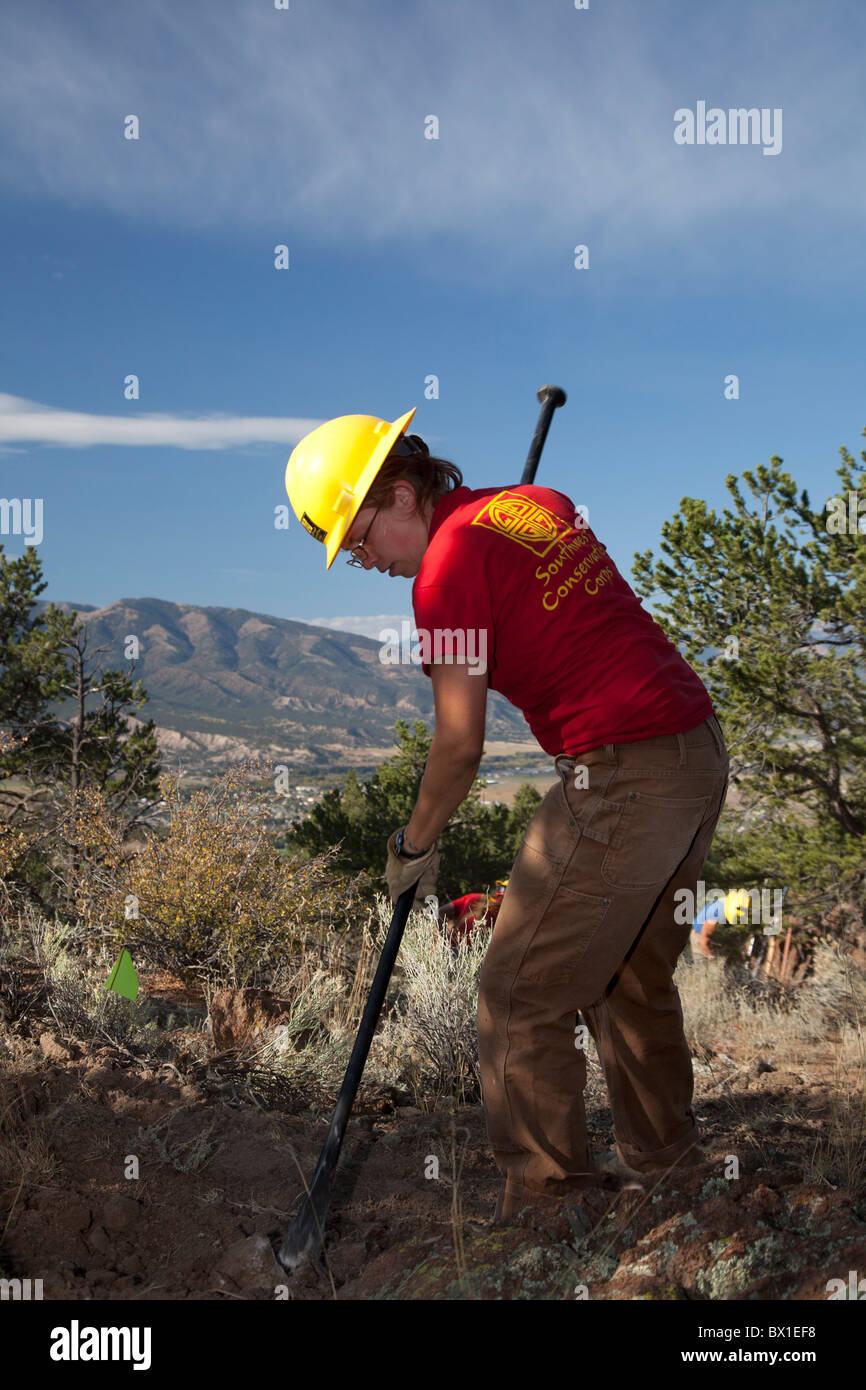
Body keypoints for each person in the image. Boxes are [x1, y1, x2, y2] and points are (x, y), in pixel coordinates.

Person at [285, 407, 730, 1231]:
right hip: (694, 752)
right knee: (626, 976)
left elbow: (459, 746)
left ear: (402, 493)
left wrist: (412, 844)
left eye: (358, 534)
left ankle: (548, 1213)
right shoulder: (533, 506)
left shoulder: (445, 574)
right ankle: (676, 1178)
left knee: (516, 992)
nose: (361, 559)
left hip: (624, 768)